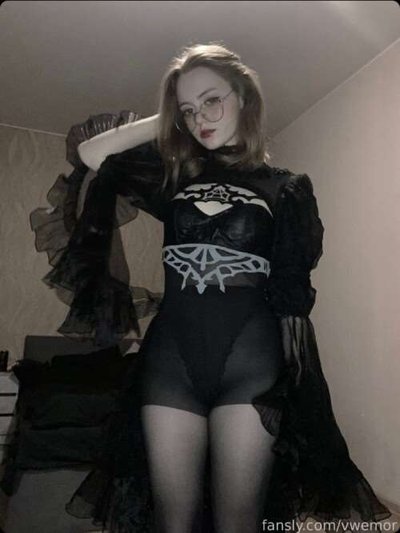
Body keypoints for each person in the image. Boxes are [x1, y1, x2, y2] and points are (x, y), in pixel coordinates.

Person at [31, 42, 392, 533]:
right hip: (171, 361)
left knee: (237, 520)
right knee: (173, 521)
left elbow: (291, 295)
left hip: (251, 362)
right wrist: (166, 118)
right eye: (187, 109)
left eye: (212, 100)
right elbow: (93, 154)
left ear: (244, 96)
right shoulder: (176, 177)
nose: (199, 116)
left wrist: (299, 387)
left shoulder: (286, 187)